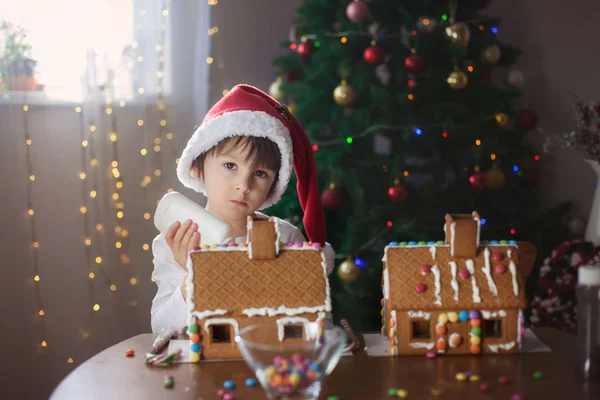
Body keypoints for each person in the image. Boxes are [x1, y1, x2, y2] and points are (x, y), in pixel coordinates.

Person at [151, 84, 334, 333]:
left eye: (260, 173)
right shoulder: (175, 241)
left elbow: (318, 320)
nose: (244, 185)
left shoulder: (287, 239)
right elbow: (161, 328)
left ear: (273, 185)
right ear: (197, 166)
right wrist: (193, 278)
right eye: (230, 165)